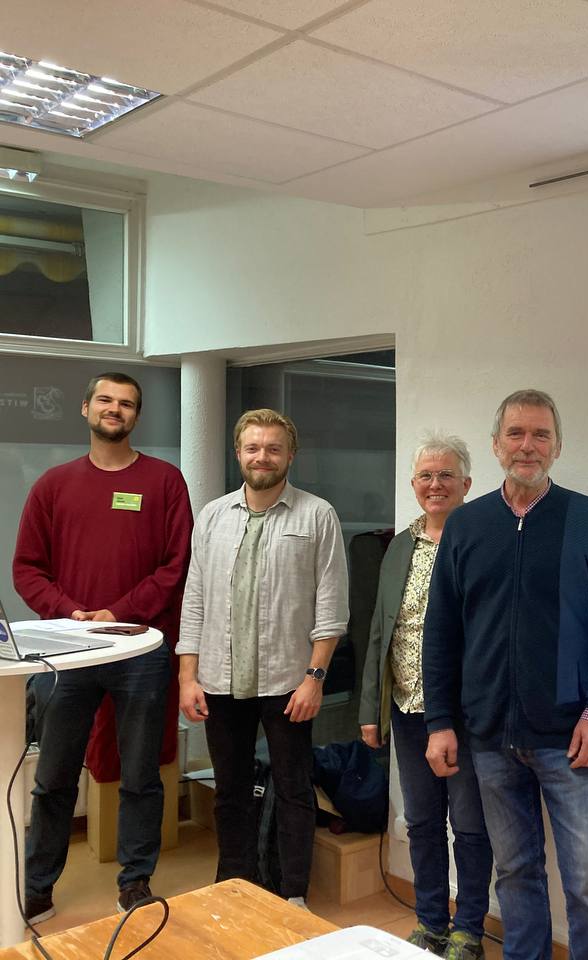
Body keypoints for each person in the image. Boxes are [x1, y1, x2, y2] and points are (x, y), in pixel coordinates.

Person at [422, 389, 588, 960]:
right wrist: (440, 722)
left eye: (541, 434)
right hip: (489, 737)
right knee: (515, 873)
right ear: (496, 445)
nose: (527, 445)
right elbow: (441, 631)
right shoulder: (467, 525)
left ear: (557, 447)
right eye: (516, 433)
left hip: (568, 737)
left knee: (587, 877)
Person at [13, 371, 193, 921]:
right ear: (86, 408)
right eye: (106, 400)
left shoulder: (165, 482)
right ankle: (37, 887)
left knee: (141, 775)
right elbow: (27, 569)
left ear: (137, 415)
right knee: (54, 777)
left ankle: (135, 882)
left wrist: (118, 614)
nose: (115, 409)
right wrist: (72, 614)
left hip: (141, 650)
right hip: (68, 653)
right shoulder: (53, 485)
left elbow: (176, 565)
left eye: (127, 403)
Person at [177, 408, 348, 908]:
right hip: (220, 680)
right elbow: (194, 600)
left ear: (290, 456)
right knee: (229, 790)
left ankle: (293, 894)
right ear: (238, 454)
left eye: (273, 448)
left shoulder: (317, 515)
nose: (262, 457)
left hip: (288, 682)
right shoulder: (213, 516)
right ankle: (233, 885)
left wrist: (315, 678)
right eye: (253, 448)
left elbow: (332, 608)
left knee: (294, 788)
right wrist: (188, 676)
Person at [359, 433, 493, 960]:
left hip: (463, 714)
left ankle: (469, 931)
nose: (435, 485)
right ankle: (432, 923)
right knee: (421, 822)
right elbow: (380, 629)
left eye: (446, 475)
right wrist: (371, 708)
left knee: (470, 825)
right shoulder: (401, 545)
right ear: (414, 484)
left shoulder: (482, 540)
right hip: (407, 708)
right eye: (425, 476)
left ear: (466, 483)